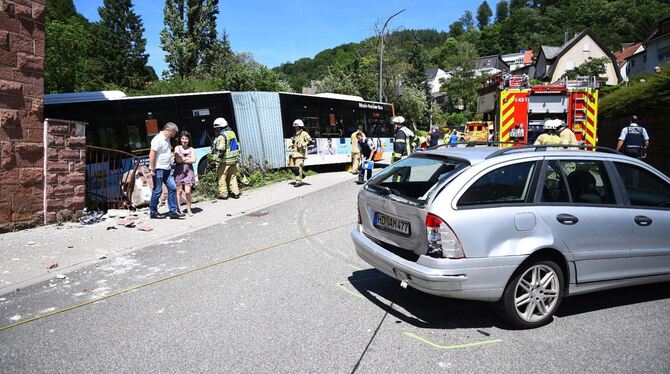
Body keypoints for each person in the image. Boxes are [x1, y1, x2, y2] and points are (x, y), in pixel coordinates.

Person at [149, 122, 181, 219]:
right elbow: (152, 154)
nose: (174, 135)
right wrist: (152, 169)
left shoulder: (167, 139)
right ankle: (153, 212)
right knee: (157, 190)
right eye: (174, 133)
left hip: (167, 168)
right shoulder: (157, 139)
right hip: (158, 168)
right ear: (169, 130)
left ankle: (173, 211)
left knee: (172, 187)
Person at [211, 117, 241, 199]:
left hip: (225, 161)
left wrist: (216, 159)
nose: (216, 130)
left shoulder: (222, 136)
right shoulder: (232, 133)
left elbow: (221, 150)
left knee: (222, 177)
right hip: (233, 160)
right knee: (232, 176)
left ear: (221, 127)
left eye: (217, 128)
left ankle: (223, 195)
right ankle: (236, 193)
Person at [174, 130, 196, 216]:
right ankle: (178, 209)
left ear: (189, 140)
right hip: (179, 172)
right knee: (179, 191)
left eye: (186, 138)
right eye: (182, 138)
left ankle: (189, 209)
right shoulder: (177, 148)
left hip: (189, 172)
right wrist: (187, 159)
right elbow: (177, 160)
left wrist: (182, 159)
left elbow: (193, 160)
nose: (184, 140)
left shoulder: (191, 149)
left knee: (187, 191)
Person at [288, 119, 312, 187]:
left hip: (300, 154)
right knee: (292, 167)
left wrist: (303, 145)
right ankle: (302, 175)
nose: (295, 127)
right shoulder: (294, 134)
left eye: (297, 126)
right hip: (293, 153)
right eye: (295, 126)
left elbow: (310, 141)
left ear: (300, 126)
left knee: (298, 168)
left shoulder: (304, 133)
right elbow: (292, 141)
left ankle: (298, 182)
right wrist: (290, 145)